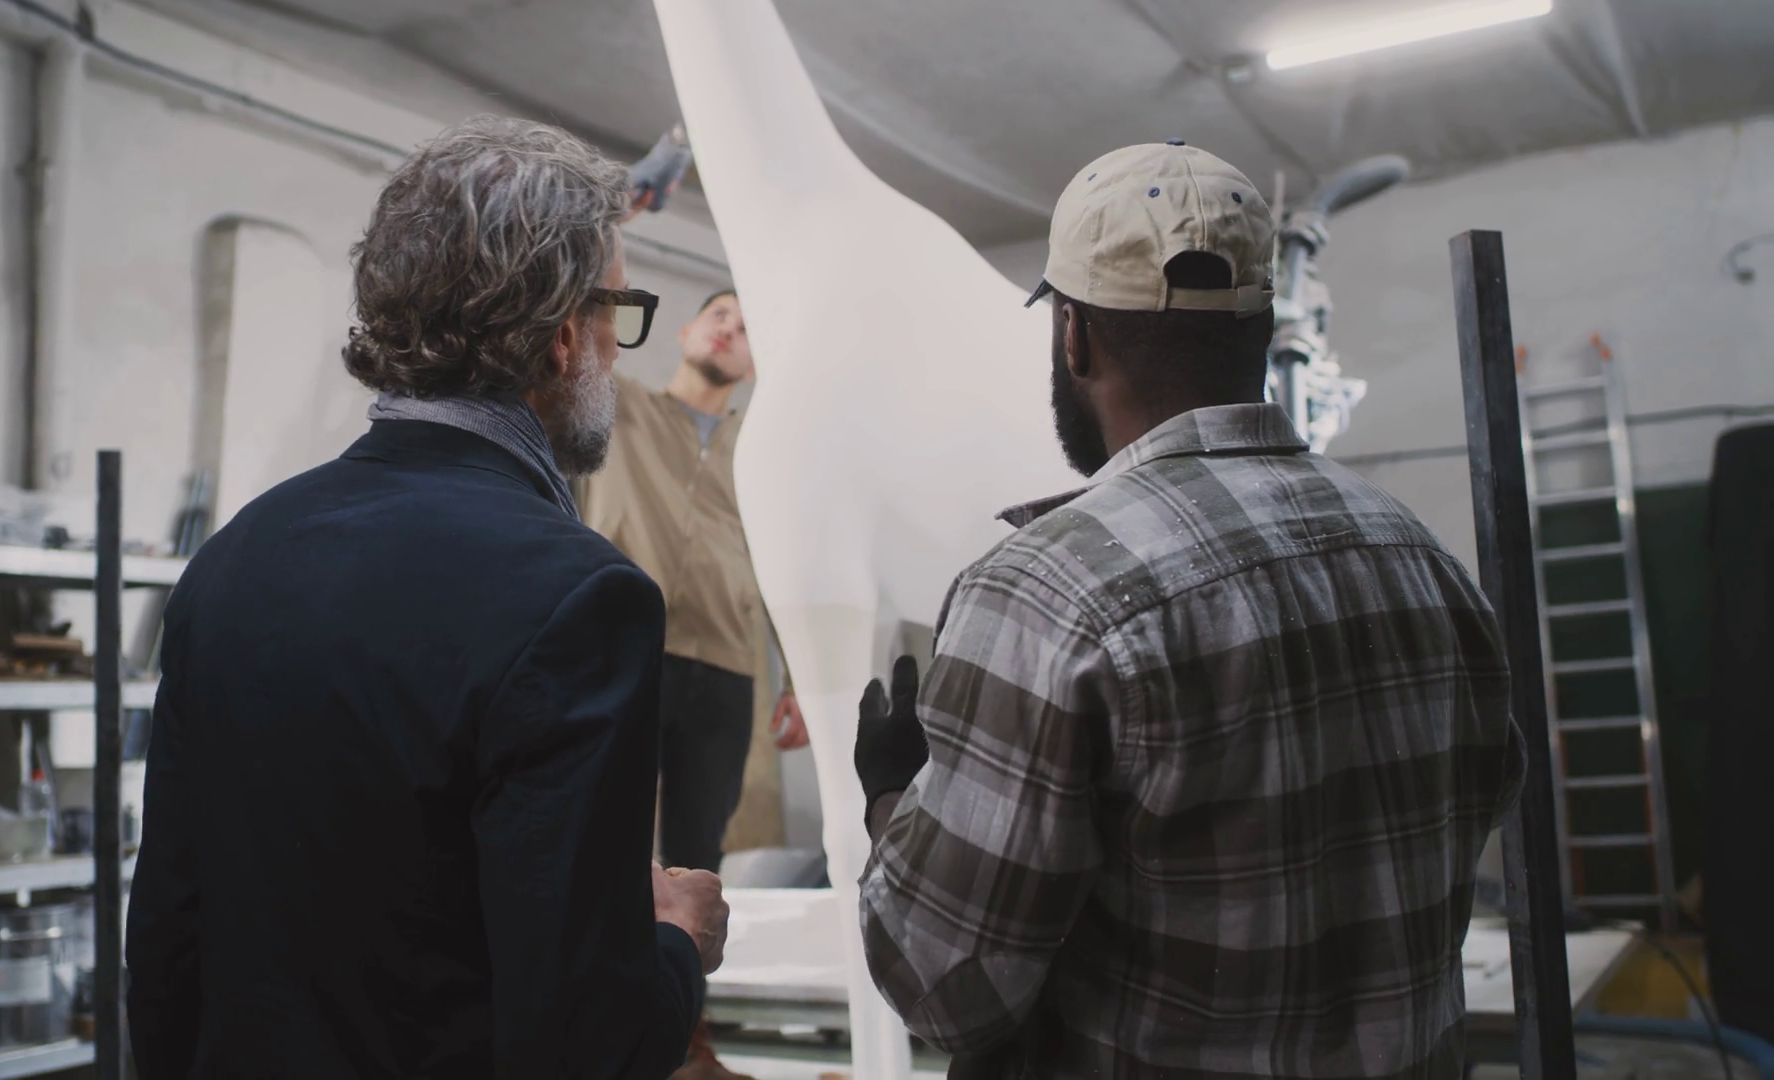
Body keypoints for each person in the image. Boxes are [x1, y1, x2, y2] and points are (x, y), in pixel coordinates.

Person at [853, 141, 1527, 1079]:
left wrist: (894, 802)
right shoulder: (1425, 559)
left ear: (1073, 336)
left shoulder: (1044, 591)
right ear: (1263, 328)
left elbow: (947, 988)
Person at [126, 116, 728, 1079]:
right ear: (563, 338)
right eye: (619, 310)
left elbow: (165, 951)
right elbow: (587, 1046)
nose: (620, 351)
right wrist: (676, 945)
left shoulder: (237, 554)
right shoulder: (582, 600)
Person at [576, 288, 804, 1080]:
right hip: (623, 651)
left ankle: (682, 1044)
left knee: (699, 861)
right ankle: (598, 1036)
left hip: (725, 668)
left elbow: (783, 562)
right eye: (720, 315)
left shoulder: (761, 450)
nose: (731, 330)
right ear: (683, 330)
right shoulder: (619, 411)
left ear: (757, 362)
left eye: (747, 326)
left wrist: (797, 673)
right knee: (603, 843)